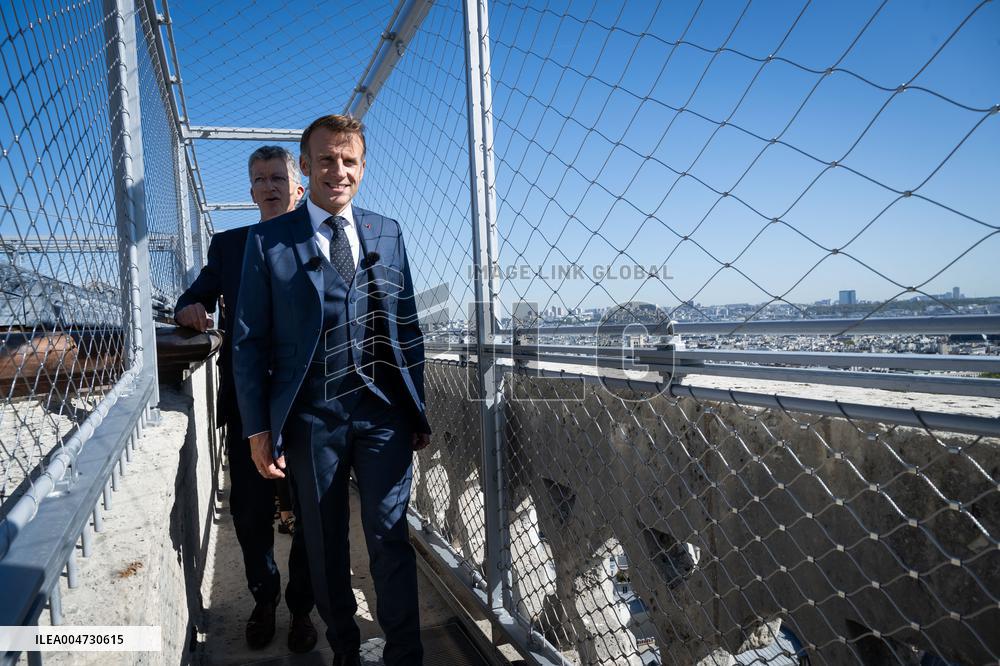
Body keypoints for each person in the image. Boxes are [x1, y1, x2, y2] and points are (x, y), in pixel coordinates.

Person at [233, 114, 431, 666]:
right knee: (323, 545)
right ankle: (345, 650)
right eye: (326, 159)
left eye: (349, 161)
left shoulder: (387, 232)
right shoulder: (268, 240)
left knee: (390, 535)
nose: (337, 171)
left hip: (383, 413)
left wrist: (417, 408)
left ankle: (405, 656)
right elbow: (249, 342)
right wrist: (258, 428)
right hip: (310, 418)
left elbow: (408, 324)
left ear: (362, 168)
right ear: (304, 166)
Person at [174, 145, 317, 653]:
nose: (270, 186)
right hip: (249, 407)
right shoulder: (231, 245)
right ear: (251, 191)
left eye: (279, 177)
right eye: (260, 179)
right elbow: (193, 296)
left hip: (306, 404)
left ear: (298, 187)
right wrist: (191, 308)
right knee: (252, 512)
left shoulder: (318, 238)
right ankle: (264, 599)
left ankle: (302, 607)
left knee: (311, 511)